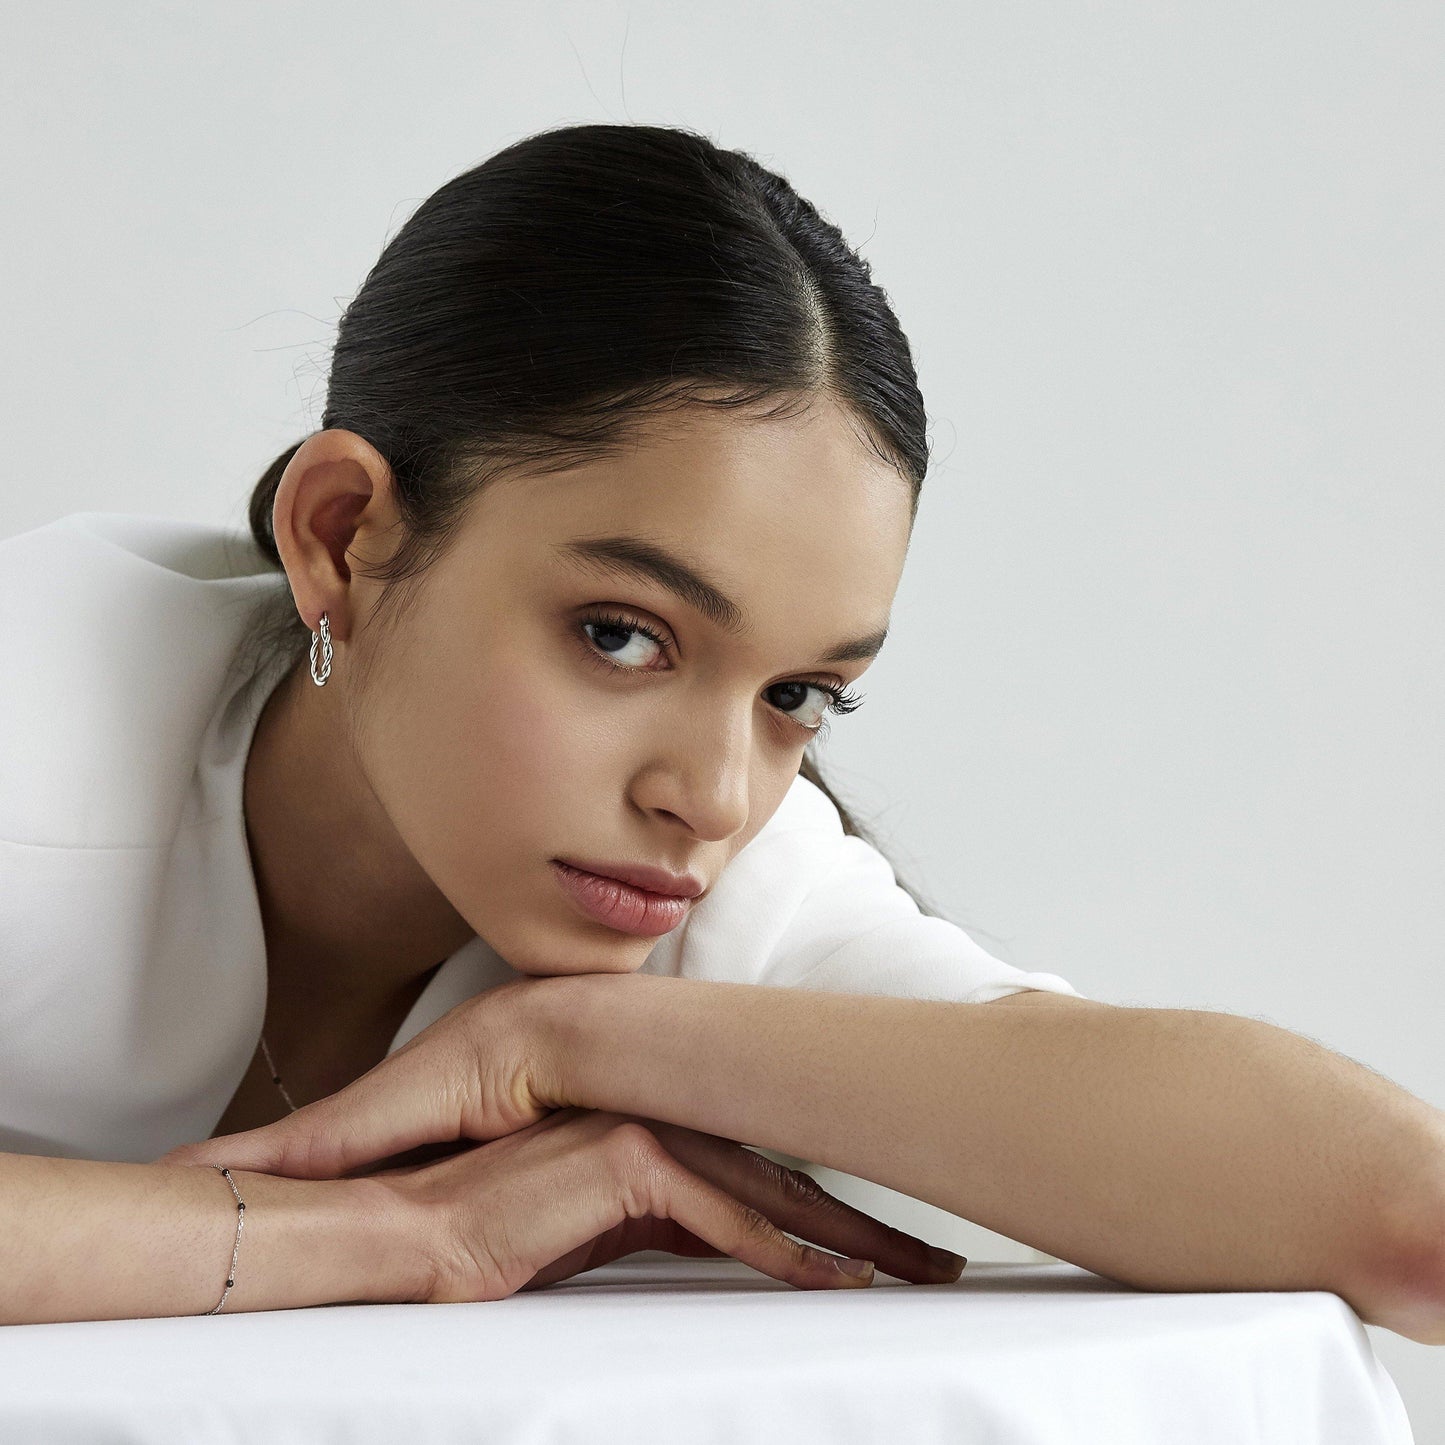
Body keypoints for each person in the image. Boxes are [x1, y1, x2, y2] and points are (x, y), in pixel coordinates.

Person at [3, 124, 1442, 1341]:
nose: (710, 794)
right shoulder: (41, 703)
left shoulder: (725, 878)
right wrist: (397, 1230)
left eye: (796, 696)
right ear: (343, 535)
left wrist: (570, 1038)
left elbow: (1404, 1221)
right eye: (620, 634)